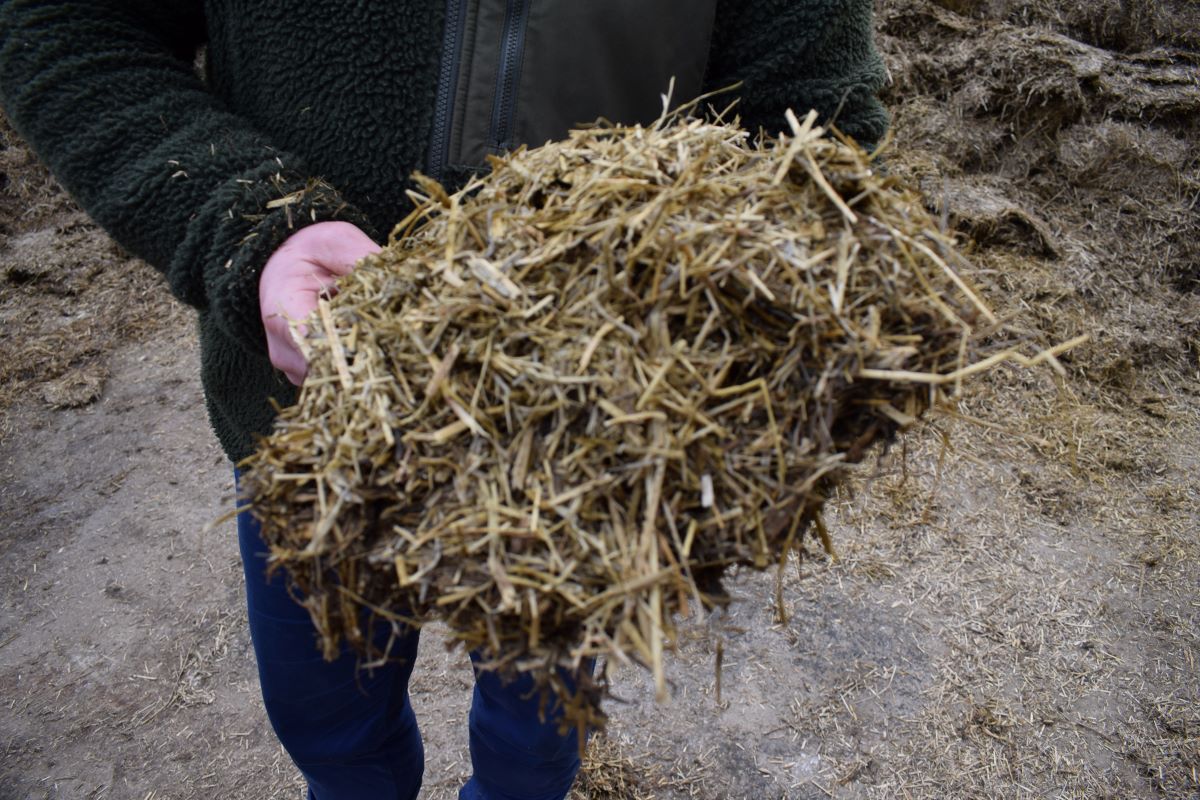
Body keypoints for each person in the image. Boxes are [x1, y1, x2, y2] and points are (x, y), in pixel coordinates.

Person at [0, 2, 888, 798]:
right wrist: (253, 226)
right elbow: (66, 24)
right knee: (330, 724)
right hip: (312, 427)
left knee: (536, 737)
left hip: (588, 463)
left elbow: (814, 125)